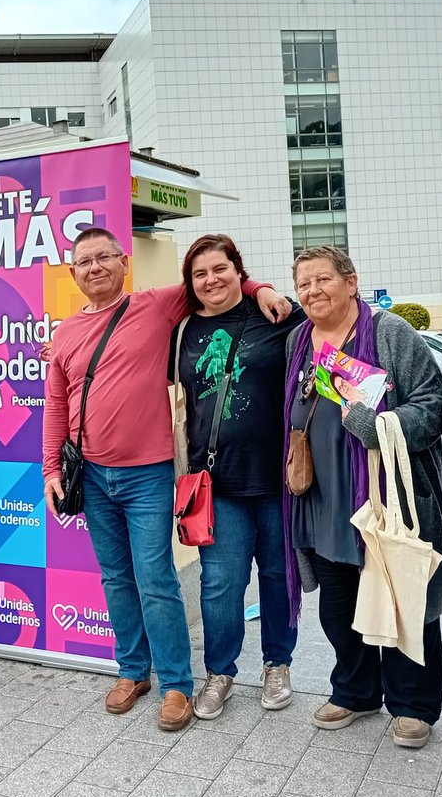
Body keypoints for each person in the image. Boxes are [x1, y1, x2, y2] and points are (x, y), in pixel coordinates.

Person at [43, 227, 291, 732]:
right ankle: (133, 670)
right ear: (73, 273)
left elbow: (217, 279)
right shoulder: (66, 333)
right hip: (90, 475)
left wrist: (261, 288)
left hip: (149, 474)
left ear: (123, 263)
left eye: (104, 258)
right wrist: (51, 469)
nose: (95, 268)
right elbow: (57, 406)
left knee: (155, 579)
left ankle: (176, 682)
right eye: (84, 261)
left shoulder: (156, 306)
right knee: (115, 578)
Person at [284, 246, 442, 749]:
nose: (312, 291)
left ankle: (413, 705)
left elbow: (433, 405)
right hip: (322, 500)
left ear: (351, 282)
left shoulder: (390, 333)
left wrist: (371, 423)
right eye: (303, 283)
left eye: (323, 280)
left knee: (403, 601)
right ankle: (355, 691)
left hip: (388, 497)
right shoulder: (298, 339)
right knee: (338, 608)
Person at [172, 235, 305, 720]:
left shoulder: (279, 317)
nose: (211, 280)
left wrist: (261, 289)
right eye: (200, 273)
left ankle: (277, 663)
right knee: (220, 582)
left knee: (276, 575)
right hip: (216, 481)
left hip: (278, 478)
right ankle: (220, 672)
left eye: (220, 269)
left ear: (239, 271)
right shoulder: (182, 329)